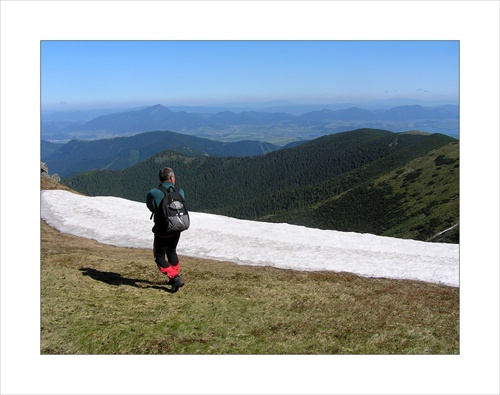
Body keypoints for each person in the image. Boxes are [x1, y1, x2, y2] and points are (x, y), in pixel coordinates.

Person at [146, 167, 186, 292]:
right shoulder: (180, 191)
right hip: (177, 227)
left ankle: (174, 277)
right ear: (172, 178)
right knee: (172, 252)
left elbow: (151, 207)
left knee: (159, 257)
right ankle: (173, 278)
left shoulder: (154, 193)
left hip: (162, 230)